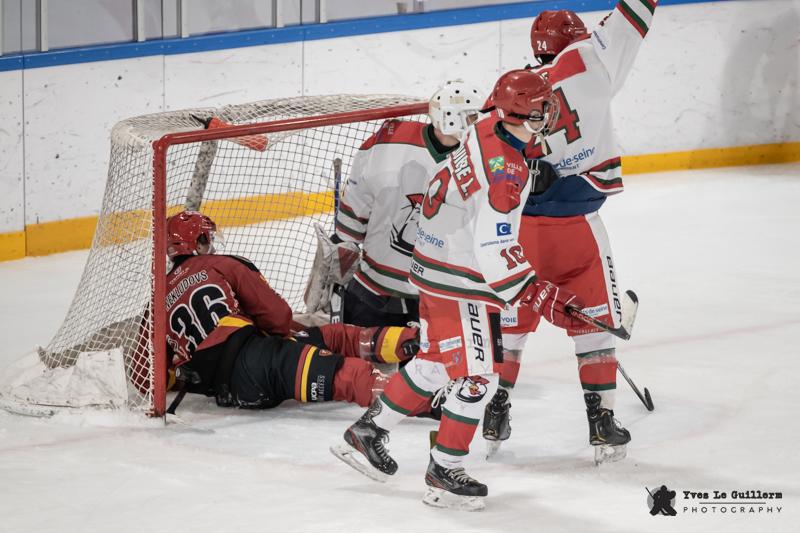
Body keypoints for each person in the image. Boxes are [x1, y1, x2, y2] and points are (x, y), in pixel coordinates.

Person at [331, 69, 586, 511]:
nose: (549, 114)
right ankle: (445, 471)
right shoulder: (506, 175)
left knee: (434, 364)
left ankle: (367, 433)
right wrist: (535, 292)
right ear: (521, 112)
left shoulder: (484, 127)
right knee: (478, 376)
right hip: (460, 276)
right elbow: (494, 247)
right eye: (542, 108)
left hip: (431, 265)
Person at [482, 2, 660, 462]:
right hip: (578, 227)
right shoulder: (592, 56)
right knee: (595, 327)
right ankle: (601, 422)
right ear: (576, 34)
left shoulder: (511, 88)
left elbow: (483, 149)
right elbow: (636, 12)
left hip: (517, 231)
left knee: (510, 326)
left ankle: (496, 409)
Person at [163, 210, 421, 411]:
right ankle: (429, 393)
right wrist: (285, 337)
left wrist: (180, 375)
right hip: (259, 361)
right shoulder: (222, 264)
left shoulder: (157, 301)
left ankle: (416, 343)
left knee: (331, 335)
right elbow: (278, 317)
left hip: (232, 389)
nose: (210, 244)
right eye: (206, 238)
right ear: (197, 243)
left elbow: (146, 375)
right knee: (348, 374)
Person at [305, 80, 486, 327]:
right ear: (450, 118)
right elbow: (356, 205)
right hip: (376, 289)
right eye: (472, 117)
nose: (478, 123)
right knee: (359, 350)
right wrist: (343, 246)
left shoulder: (479, 156)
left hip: (435, 295)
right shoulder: (389, 142)